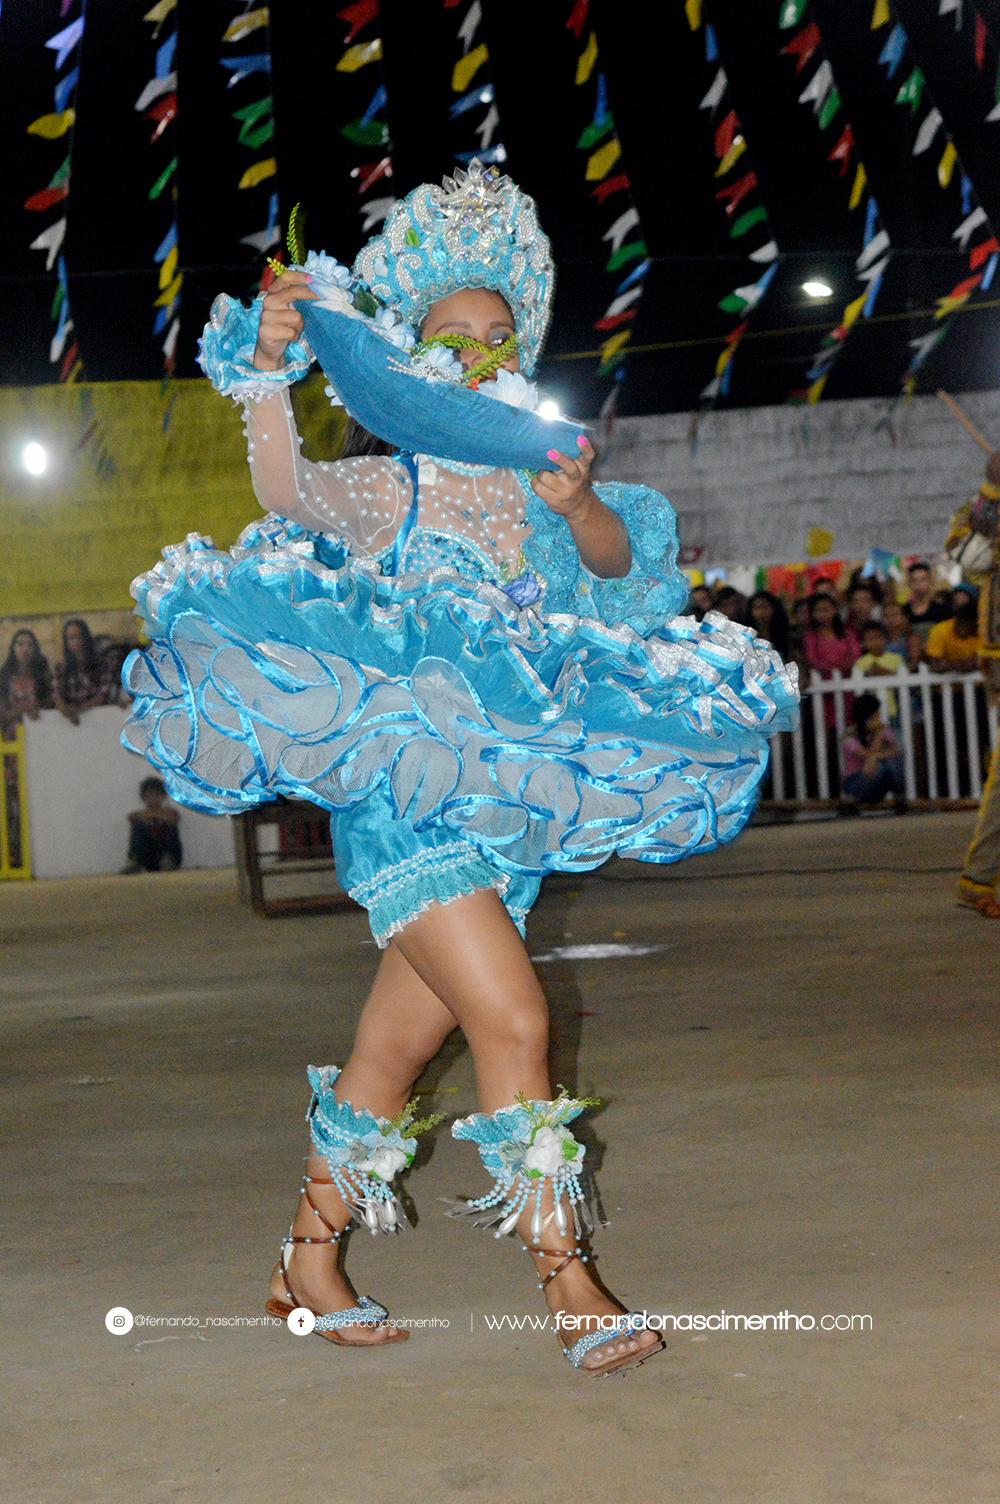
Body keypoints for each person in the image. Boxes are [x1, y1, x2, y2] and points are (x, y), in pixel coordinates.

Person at [121, 161, 798, 1375]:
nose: (480, 353)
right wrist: (271, 370)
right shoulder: (395, 484)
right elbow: (285, 489)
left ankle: (304, 1264)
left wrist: (579, 499)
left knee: (390, 1054)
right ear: (407, 359)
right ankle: (567, 1279)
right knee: (515, 1015)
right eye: (453, 337)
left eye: (500, 335)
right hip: (403, 797)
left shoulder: (542, 481)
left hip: (510, 813)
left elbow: (620, 571)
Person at [945, 450, 1000, 917]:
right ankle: (979, 877)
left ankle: (979, 877)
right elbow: (970, 557)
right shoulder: (980, 513)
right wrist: (992, 493)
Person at [840, 693, 907, 815]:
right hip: (858, 783)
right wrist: (879, 736)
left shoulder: (882, 730)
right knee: (879, 767)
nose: (879, 718)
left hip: (878, 783)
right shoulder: (849, 737)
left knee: (892, 763)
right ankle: (851, 801)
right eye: (875, 716)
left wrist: (877, 756)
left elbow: (896, 751)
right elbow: (867, 756)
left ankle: (900, 798)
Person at [121, 776, 182, 873]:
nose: (152, 798)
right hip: (147, 858)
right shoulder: (139, 814)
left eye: (156, 795)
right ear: (143, 798)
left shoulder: (170, 813)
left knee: (170, 826)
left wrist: (159, 818)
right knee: (138, 826)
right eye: (149, 795)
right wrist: (146, 819)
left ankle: (169, 860)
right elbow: (130, 817)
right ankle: (135, 861)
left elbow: (174, 818)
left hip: (166, 857)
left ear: (163, 796)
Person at [0, 628, 54, 736]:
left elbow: (51, 704)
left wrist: (39, 709)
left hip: (40, 734)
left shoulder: (43, 676)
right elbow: (2, 714)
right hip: (11, 738)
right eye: (20, 644)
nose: (25, 649)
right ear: (13, 648)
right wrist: (22, 711)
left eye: (30, 645)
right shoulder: (3, 677)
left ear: (35, 649)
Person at [55, 618, 108, 722]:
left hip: (99, 721)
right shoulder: (61, 668)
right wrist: (65, 709)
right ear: (66, 642)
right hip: (70, 723)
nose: (76, 641)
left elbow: (103, 695)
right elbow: (56, 695)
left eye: (79, 637)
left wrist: (79, 710)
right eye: (71, 638)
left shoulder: (102, 665)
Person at [855, 620, 904, 721]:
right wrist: (869, 674)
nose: (875, 642)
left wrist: (883, 671)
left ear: (886, 639)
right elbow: (858, 686)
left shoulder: (896, 659)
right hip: (872, 713)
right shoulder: (860, 662)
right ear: (863, 643)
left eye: (878, 637)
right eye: (870, 639)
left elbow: (903, 680)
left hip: (894, 709)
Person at [925, 599, 981, 673]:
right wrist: (960, 664)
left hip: (977, 683)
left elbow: (985, 660)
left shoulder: (980, 633)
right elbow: (935, 664)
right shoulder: (940, 630)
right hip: (944, 683)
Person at [903, 561, 950, 645]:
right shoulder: (904, 611)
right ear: (909, 583)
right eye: (914, 580)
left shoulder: (943, 610)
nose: (919, 584)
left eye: (923, 579)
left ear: (930, 581)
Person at [749, 590, 791, 660]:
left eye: (764, 607)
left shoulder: (785, 633)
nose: (760, 612)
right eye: (756, 608)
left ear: (773, 608)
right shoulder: (749, 635)